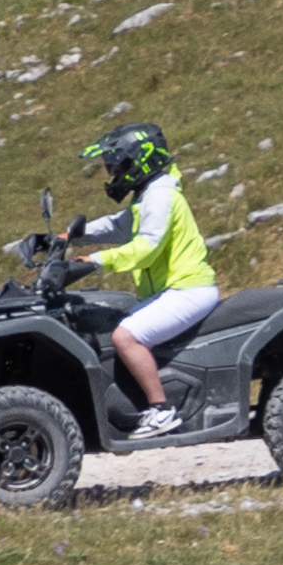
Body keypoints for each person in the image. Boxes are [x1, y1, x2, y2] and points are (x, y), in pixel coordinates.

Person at [73, 123, 214, 415]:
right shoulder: (148, 195)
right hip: (174, 290)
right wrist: (66, 237)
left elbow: (148, 248)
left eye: (117, 166)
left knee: (125, 336)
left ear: (139, 161)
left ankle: (160, 410)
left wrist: (95, 261)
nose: (113, 175)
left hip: (188, 289)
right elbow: (118, 225)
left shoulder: (161, 197)